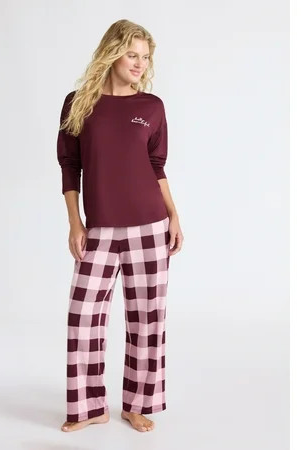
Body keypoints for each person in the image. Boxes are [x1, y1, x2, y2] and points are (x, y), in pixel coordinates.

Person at [56, 19, 184, 433]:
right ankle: (89, 406)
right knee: (83, 316)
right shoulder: (78, 103)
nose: (140, 63)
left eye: (145, 57)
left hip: (150, 225)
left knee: (147, 318)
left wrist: (174, 214)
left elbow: (156, 165)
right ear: (112, 53)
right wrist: (75, 222)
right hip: (99, 229)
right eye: (132, 54)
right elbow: (70, 165)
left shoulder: (152, 107)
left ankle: (138, 404)